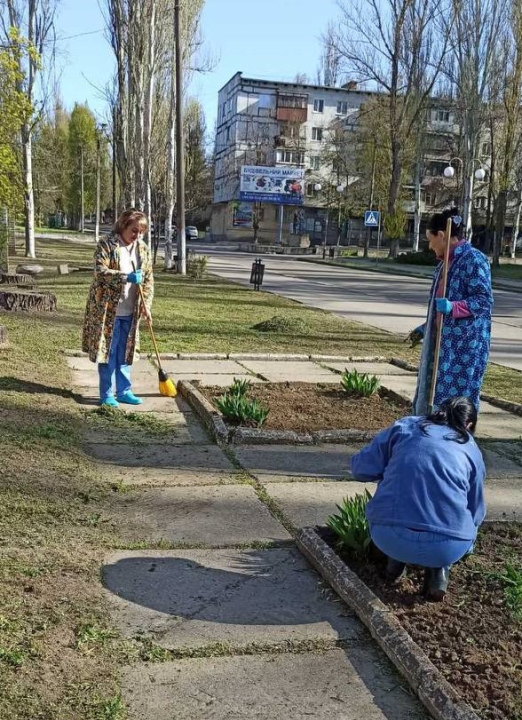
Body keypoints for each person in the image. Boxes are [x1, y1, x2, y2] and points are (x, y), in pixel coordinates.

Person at [351, 397, 486, 601]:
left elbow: (360, 470)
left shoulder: (406, 427)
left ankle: (394, 564)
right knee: (465, 521)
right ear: (468, 424)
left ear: (439, 412)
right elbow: (476, 509)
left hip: (387, 537)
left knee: (397, 492)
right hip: (448, 547)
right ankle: (439, 571)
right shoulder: (470, 447)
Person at [410, 208, 493, 415]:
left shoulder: (473, 259)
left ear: (441, 235)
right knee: (434, 399)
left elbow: (484, 301)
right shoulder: (444, 264)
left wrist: (453, 307)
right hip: (442, 345)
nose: (430, 246)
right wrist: (426, 327)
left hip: (463, 350)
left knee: (456, 405)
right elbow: (439, 307)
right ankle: (432, 432)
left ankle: (455, 435)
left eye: (430, 240)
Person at [82, 209, 154, 408]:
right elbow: (100, 272)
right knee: (108, 352)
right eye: (134, 230)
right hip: (107, 310)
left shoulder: (143, 249)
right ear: (123, 226)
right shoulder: (107, 244)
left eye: (141, 232)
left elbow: (148, 279)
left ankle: (123, 391)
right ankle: (106, 394)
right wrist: (125, 277)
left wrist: (146, 305)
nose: (137, 235)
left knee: (125, 352)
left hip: (130, 310)